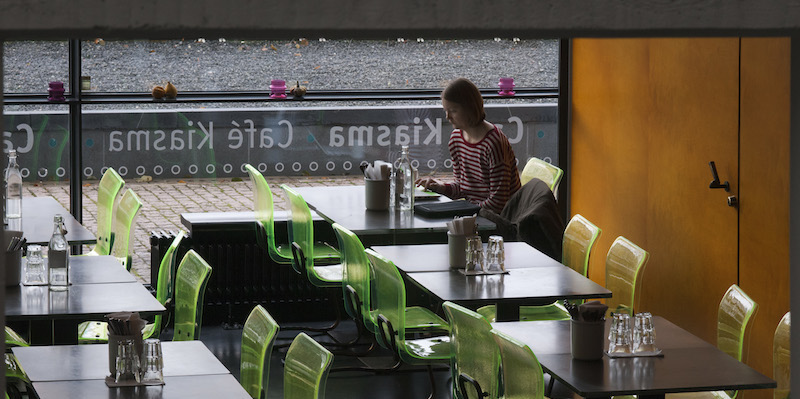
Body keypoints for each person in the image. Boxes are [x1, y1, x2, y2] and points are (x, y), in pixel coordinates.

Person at [416, 77, 521, 213]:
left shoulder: (494, 143)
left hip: (501, 217)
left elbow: (499, 202)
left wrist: (467, 212)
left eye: (453, 110)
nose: (448, 117)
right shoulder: (456, 139)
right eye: (445, 111)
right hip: (476, 212)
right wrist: (440, 187)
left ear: (470, 108)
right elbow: (462, 187)